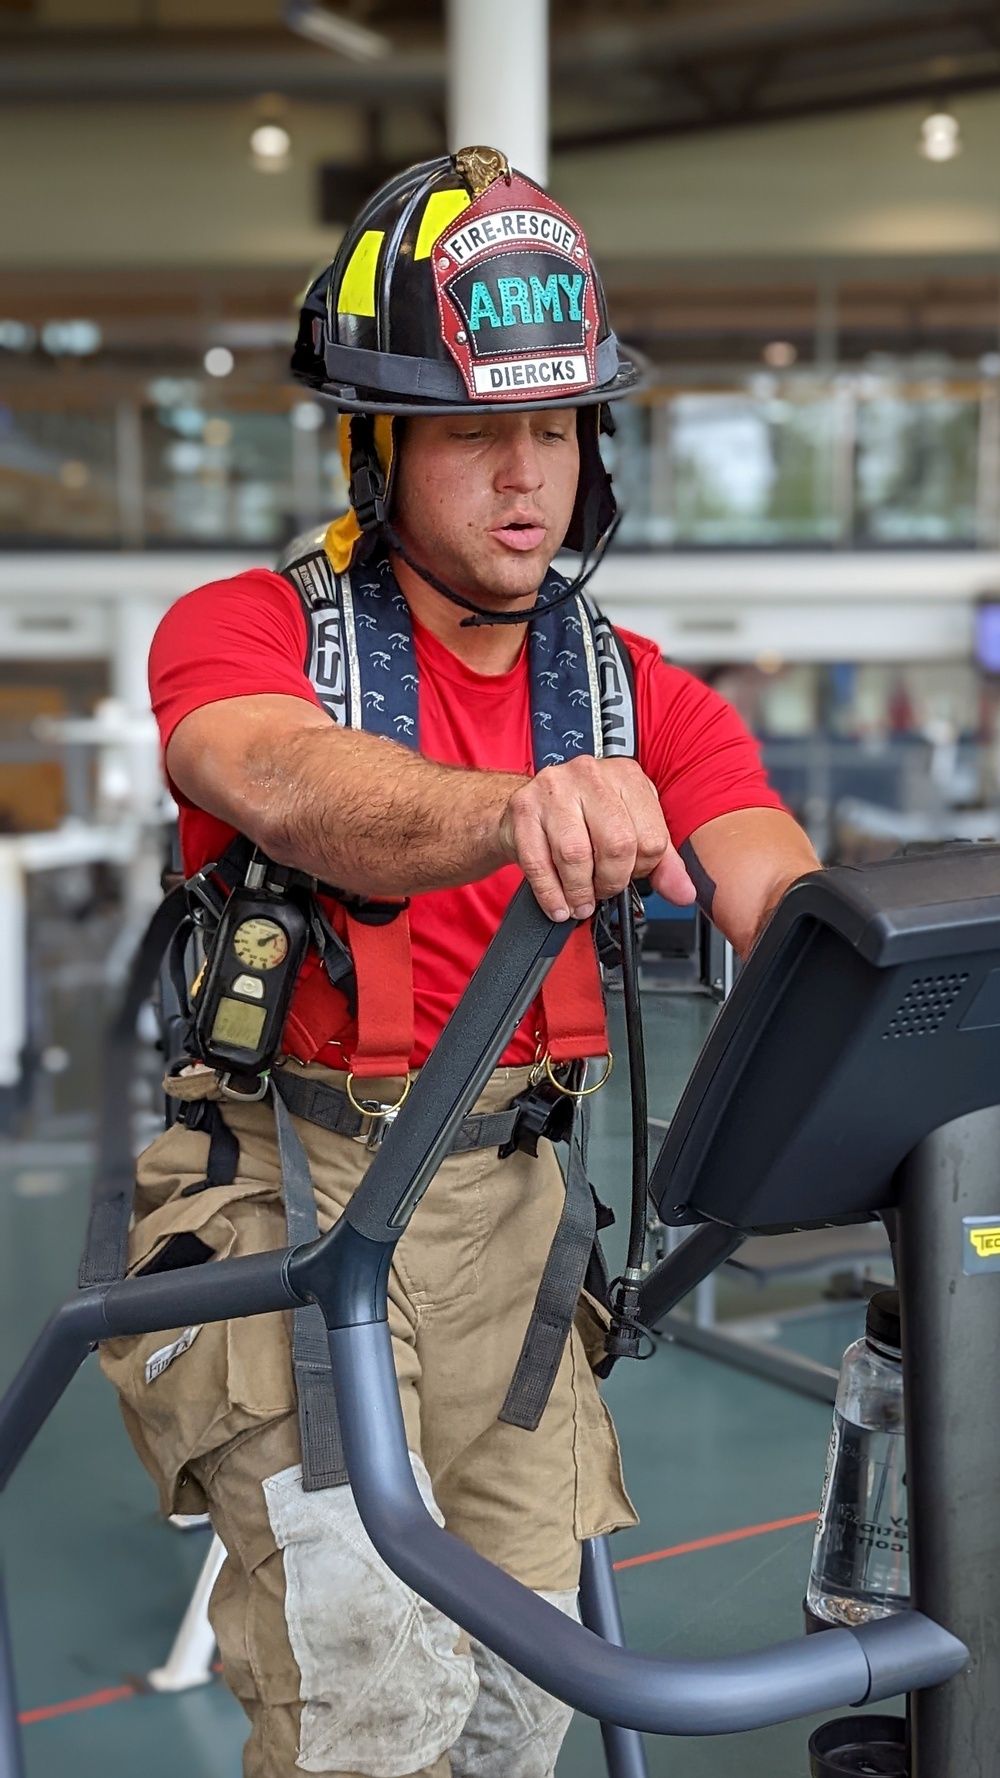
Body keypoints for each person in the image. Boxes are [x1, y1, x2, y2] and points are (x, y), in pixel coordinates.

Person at [101, 147, 819, 1778]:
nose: (524, 476)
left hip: (521, 1220)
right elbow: (290, 784)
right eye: (473, 431)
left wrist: (880, 971)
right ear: (376, 446)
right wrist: (521, 808)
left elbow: (781, 891)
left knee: (512, 1718)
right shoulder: (245, 631)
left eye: (553, 428)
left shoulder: (644, 699)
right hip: (290, 1195)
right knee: (370, 1714)